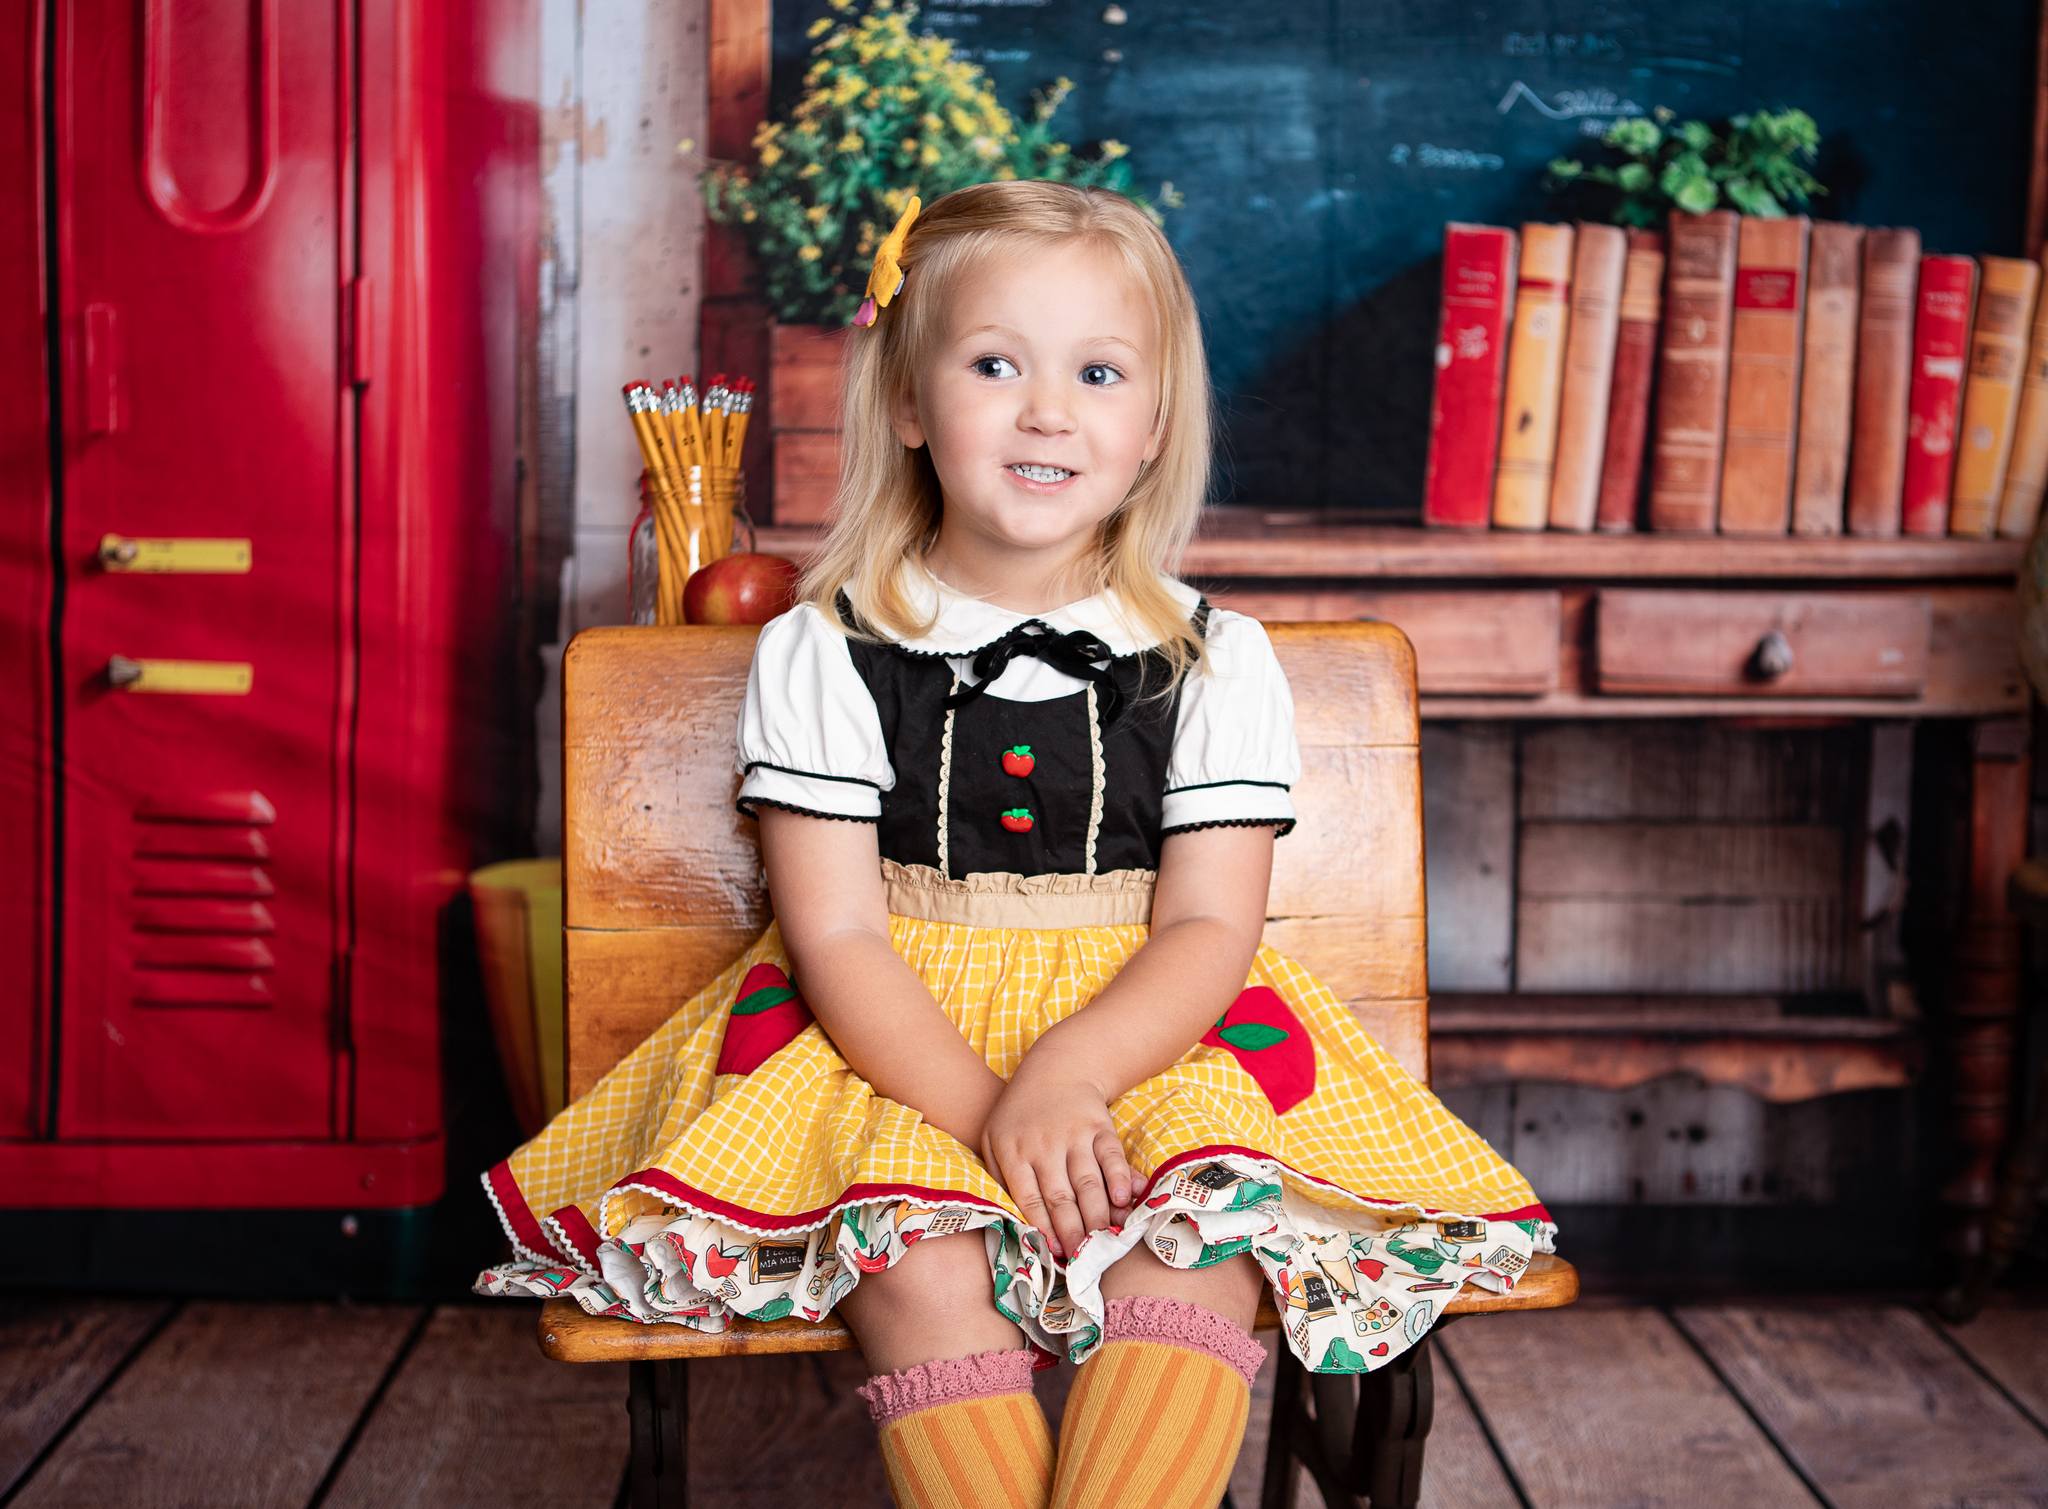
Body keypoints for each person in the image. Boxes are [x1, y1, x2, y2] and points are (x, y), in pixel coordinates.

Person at [476, 179, 1555, 1508]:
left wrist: (1068, 1080)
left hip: (1149, 1038)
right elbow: (837, 934)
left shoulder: (1217, 659)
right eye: (997, 364)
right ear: (914, 406)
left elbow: (1209, 928)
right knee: (915, 1263)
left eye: (1098, 372)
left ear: (1153, 424)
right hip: (892, 1050)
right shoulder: (825, 651)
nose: (1049, 409)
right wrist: (998, 1114)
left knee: (1185, 1245)